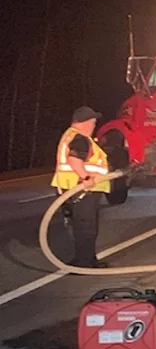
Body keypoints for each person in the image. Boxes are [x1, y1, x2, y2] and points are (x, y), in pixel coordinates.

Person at [51, 106, 112, 268]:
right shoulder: (80, 138)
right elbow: (74, 159)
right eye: (92, 123)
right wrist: (85, 177)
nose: (93, 126)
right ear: (84, 123)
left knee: (85, 226)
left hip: (76, 189)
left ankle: (89, 260)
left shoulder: (72, 135)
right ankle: (84, 262)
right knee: (86, 227)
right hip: (82, 189)